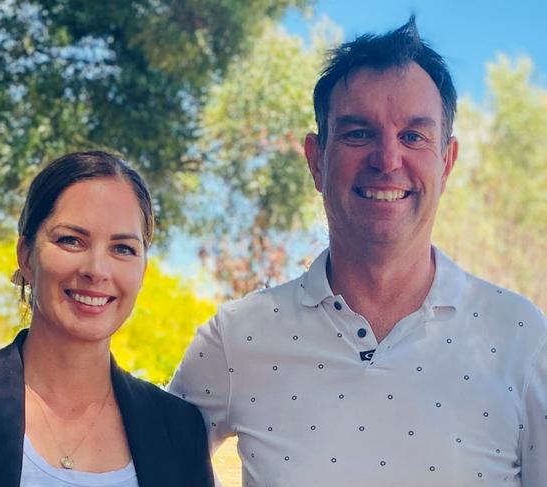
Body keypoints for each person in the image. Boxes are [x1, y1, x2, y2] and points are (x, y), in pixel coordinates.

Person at [169, 17, 547, 486]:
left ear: (446, 163)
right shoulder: (235, 340)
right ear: (316, 159)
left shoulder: (522, 339)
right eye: (357, 133)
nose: (387, 160)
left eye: (413, 136)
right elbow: (136, 461)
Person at [0, 150, 214, 487]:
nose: (97, 270)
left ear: (142, 270)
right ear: (26, 256)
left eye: (122, 248)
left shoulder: (179, 430)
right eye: (71, 240)